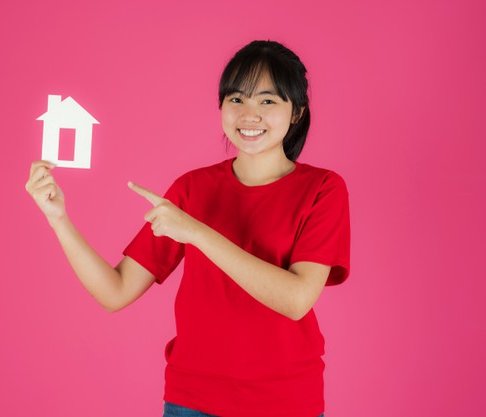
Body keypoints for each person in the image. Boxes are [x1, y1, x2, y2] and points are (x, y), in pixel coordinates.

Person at [25, 40, 350, 417]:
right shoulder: (192, 188)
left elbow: (296, 300)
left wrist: (196, 232)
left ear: (296, 113)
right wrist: (58, 218)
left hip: (286, 403)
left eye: (267, 101)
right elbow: (115, 292)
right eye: (236, 99)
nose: (249, 114)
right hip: (191, 402)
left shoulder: (323, 189)